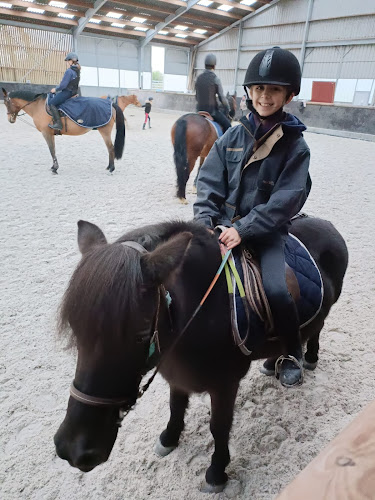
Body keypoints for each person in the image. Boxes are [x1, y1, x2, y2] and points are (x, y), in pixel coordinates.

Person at [193, 47, 311, 387]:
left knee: (277, 290)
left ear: (289, 94)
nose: (264, 96)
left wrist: (244, 229)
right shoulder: (231, 135)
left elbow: (286, 200)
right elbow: (208, 185)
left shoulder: (295, 147)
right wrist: (207, 225)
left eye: (274, 89)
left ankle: (291, 352)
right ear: (248, 92)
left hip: (266, 233)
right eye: (259, 88)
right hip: (219, 228)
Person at [195, 53, 231, 133]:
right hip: (212, 112)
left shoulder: (198, 78)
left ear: (205, 65)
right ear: (214, 66)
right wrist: (227, 107)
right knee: (228, 126)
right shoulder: (215, 79)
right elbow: (222, 97)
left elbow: (197, 97)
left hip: (199, 110)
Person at [49, 52, 81, 131]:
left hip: (67, 92)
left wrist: (55, 89)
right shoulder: (77, 70)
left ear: (71, 61)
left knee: (51, 103)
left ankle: (58, 124)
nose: (67, 63)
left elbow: (63, 85)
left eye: (67, 61)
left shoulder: (69, 71)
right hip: (74, 92)